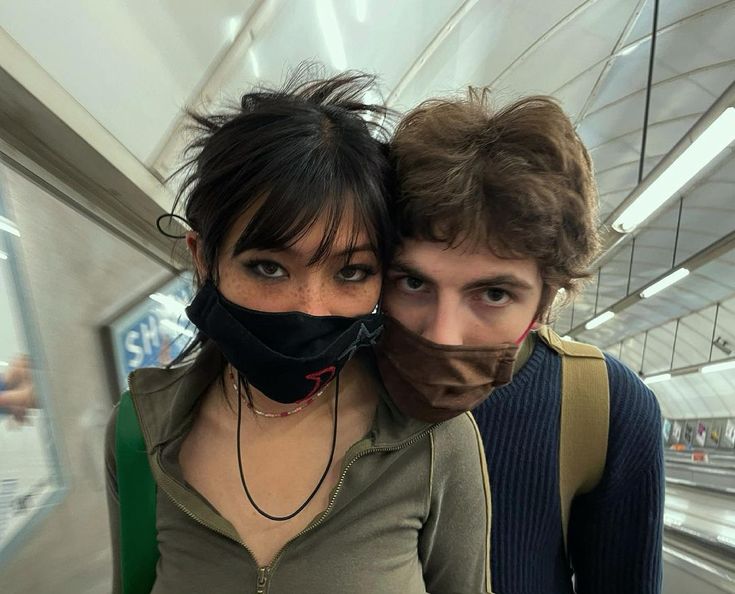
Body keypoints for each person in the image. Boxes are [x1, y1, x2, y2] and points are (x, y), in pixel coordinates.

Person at [104, 71, 492, 594]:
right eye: (268, 267)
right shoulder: (139, 431)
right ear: (204, 260)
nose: (310, 308)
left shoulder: (433, 438)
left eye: (351, 271)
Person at [376, 90, 664, 593]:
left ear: (546, 298)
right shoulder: (320, 383)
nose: (444, 334)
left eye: (492, 293)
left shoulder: (605, 406)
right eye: (413, 283)